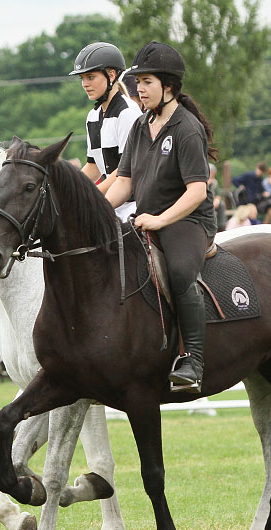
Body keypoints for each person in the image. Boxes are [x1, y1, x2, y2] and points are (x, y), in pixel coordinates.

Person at [106, 41, 216, 391]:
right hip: (146, 218)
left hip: (188, 222)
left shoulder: (186, 129)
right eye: (137, 82)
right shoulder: (141, 125)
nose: (139, 88)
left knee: (181, 271)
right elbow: (124, 181)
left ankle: (193, 361)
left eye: (147, 81)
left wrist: (159, 220)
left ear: (168, 86)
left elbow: (197, 191)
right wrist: (96, 212)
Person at [70, 42, 142, 221]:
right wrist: (69, 187)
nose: (85, 84)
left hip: (133, 206)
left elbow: (124, 171)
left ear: (111, 75)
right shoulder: (92, 116)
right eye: (82, 79)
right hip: (108, 200)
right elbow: (93, 166)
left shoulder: (128, 113)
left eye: (90, 77)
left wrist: (90, 195)